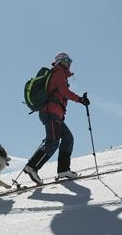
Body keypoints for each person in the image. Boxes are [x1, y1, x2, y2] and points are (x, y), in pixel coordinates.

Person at [23, 52, 90, 184]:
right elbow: (64, 92)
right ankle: (32, 167)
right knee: (53, 142)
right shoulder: (59, 73)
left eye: (70, 60)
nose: (69, 62)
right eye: (66, 60)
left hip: (54, 114)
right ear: (60, 61)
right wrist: (80, 99)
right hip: (50, 113)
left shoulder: (61, 74)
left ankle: (63, 170)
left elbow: (60, 96)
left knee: (68, 138)